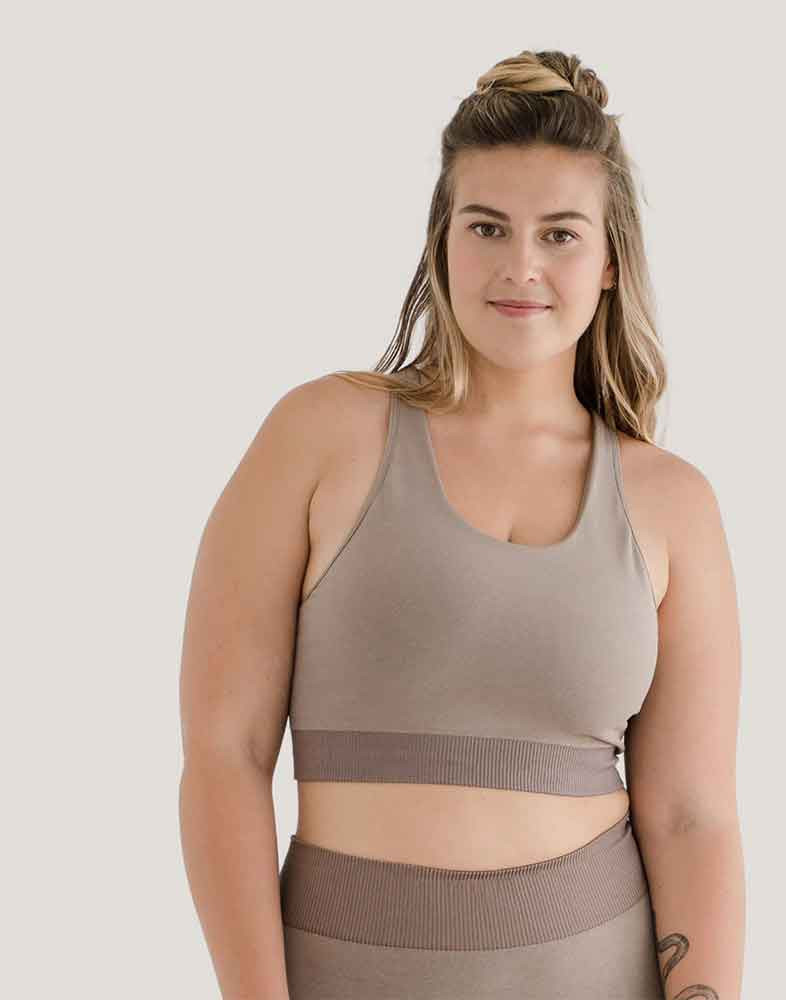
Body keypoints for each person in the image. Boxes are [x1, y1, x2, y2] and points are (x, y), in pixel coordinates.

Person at [179, 49, 744, 1000]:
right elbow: (223, 756)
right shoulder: (321, 435)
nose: (522, 265)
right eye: (488, 226)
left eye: (560, 234)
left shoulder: (671, 501)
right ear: (443, 240)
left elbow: (693, 816)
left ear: (610, 261)